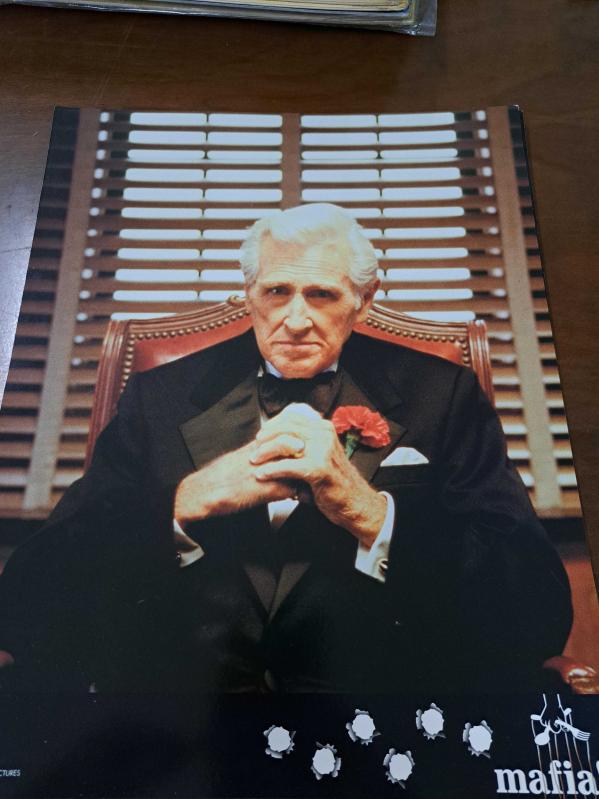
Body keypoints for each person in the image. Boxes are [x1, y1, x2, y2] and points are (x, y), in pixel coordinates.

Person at [0, 204, 572, 694]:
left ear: (364, 300)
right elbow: (27, 603)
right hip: (187, 730)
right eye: (277, 291)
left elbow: (538, 612)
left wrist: (368, 514)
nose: (296, 319)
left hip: (371, 721)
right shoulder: (158, 397)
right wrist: (184, 501)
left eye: (322, 294)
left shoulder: (442, 396)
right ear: (248, 294)